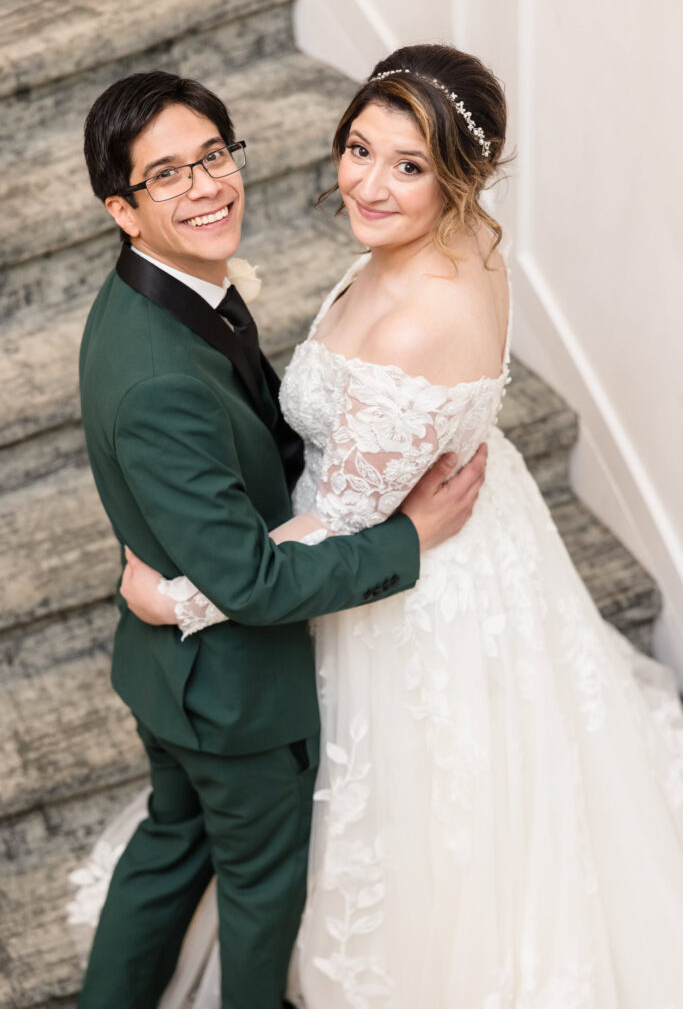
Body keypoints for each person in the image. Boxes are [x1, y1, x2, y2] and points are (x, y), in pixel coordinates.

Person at [119, 44, 683, 1008]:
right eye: (359, 148)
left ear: (455, 177)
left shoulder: (424, 319)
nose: (368, 185)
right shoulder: (451, 239)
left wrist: (174, 594)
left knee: (419, 836)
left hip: (405, 591)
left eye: (408, 165)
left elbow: (339, 532)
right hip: (450, 528)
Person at [76, 69, 487, 1009]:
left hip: (167, 676)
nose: (207, 187)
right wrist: (409, 536)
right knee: (261, 896)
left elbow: (234, 452)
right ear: (123, 211)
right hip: (232, 699)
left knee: (170, 845)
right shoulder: (157, 375)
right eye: (167, 176)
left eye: (213, 157)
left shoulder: (167, 294)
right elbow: (254, 584)